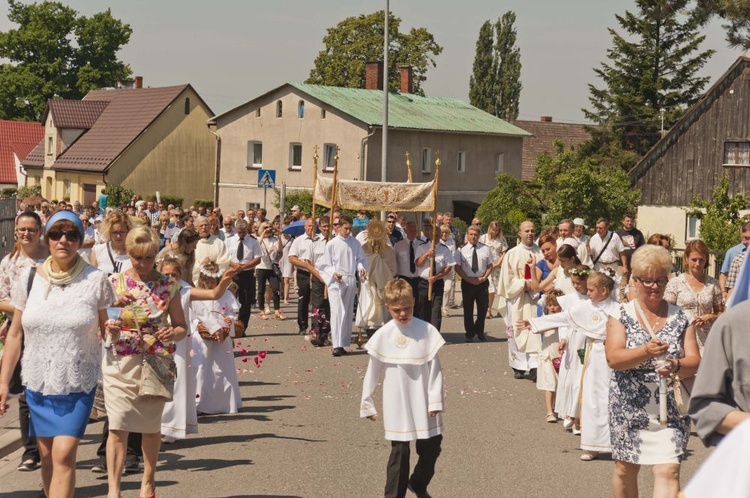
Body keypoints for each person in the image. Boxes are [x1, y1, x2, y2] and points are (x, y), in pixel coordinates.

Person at [0, 210, 115, 498]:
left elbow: (109, 327)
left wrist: (115, 330)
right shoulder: (28, 279)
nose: (63, 240)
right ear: (46, 238)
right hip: (38, 383)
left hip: (77, 382)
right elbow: (15, 335)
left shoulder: (96, 280)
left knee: (64, 455)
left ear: (79, 240)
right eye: (56, 234)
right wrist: (3, 382)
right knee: (48, 457)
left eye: (71, 234)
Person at [605, 244, 701, 498]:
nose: (654, 286)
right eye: (647, 281)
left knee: (668, 471)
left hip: (670, 408)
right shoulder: (620, 314)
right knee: (626, 469)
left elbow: (695, 360)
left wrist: (675, 365)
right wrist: (645, 351)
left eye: (660, 280)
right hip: (628, 405)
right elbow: (614, 358)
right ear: (635, 281)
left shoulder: (681, 317)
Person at [103, 226, 187, 498]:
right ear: (128, 254)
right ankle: (114, 490)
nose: (142, 263)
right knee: (117, 427)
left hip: (155, 363)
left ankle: (148, 482)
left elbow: (181, 327)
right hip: (119, 364)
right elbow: (102, 324)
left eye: (148, 257)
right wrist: (110, 327)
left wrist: (171, 332)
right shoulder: (113, 283)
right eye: (136, 257)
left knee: (151, 429)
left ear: (156, 255)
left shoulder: (168, 285)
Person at [360, 278, 445, 498]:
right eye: (397, 310)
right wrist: (367, 402)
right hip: (396, 399)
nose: (402, 314)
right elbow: (373, 372)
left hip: (424, 398)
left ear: (414, 302)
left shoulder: (426, 330)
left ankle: (418, 482)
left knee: (431, 447)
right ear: (388, 307)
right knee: (400, 452)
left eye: (407, 308)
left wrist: (435, 399)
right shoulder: (383, 335)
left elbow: (435, 369)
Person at [523, 272, 618, 460]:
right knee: (591, 400)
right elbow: (563, 317)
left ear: (604, 291)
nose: (588, 293)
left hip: (612, 356)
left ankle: (616, 444)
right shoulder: (585, 307)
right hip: (592, 357)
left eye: (591, 290)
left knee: (611, 399)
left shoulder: (618, 309)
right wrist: (535, 322)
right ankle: (592, 446)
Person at [156, 254, 236, 443]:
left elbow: (213, 294)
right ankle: (155, 425)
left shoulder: (185, 290)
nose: (171, 278)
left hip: (179, 343)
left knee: (177, 382)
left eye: (175, 274)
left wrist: (224, 281)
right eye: (167, 274)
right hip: (156, 342)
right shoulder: (153, 289)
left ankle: (171, 427)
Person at [0, 212, 48, 472]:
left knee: (45, 391)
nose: (26, 234)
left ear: (40, 230)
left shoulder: (52, 258)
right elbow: (2, 299)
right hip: (19, 332)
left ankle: (47, 445)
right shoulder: (9, 262)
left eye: (31, 229)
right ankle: (30, 451)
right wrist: (23, 310)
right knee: (23, 395)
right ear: (16, 232)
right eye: (22, 230)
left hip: (48, 334)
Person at [190, 262, 242, 415]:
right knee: (202, 368)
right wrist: (200, 325)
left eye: (212, 282)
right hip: (202, 336)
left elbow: (233, 312)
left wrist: (229, 320)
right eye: (206, 281)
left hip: (222, 337)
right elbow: (192, 316)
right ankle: (200, 403)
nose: (209, 284)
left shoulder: (226, 294)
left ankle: (224, 403)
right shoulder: (197, 294)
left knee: (221, 369)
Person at [317, 215, 367, 357]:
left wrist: (361, 267)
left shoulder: (355, 243)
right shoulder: (332, 244)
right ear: (338, 227)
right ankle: (336, 344)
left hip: (350, 279)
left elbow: (359, 259)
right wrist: (334, 273)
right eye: (346, 228)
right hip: (337, 282)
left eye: (350, 229)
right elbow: (325, 264)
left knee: (347, 312)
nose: (348, 231)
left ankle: (343, 343)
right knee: (338, 312)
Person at [497, 221, 542, 379]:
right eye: (527, 231)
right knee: (518, 329)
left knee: (535, 329)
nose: (530, 233)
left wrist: (536, 284)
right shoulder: (512, 253)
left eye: (532, 230)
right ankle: (518, 365)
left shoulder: (540, 252)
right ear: (519, 233)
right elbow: (507, 279)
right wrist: (523, 283)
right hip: (518, 298)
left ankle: (536, 365)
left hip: (535, 298)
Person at [664, 239, 723, 353]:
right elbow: (666, 311)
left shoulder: (713, 283)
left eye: (701, 260)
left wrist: (710, 317)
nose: (697, 264)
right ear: (686, 259)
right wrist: (686, 319)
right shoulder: (676, 283)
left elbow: (720, 312)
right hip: (681, 337)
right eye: (694, 260)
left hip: (706, 340)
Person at [454, 225, 497, 343]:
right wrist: (467, 279)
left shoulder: (485, 249)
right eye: (471, 234)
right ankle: (469, 333)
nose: (473, 237)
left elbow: (490, 265)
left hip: (481, 282)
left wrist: (484, 277)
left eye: (475, 235)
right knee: (468, 309)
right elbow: (457, 267)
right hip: (467, 282)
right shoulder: (461, 250)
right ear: (467, 235)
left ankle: (480, 331)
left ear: (479, 236)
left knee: (482, 309)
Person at [356, 220, 397, 337]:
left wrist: (379, 260)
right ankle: (369, 327)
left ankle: (382, 327)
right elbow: (359, 256)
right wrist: (370, 261)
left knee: (381, 301)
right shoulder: (361, 237)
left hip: (383, 277)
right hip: (367, 278)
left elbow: (390, 257)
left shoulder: (386, 238)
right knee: (369, 300)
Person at [414, 218, 455, 331]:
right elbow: (418, 263)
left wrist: (436, 277)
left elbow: (448, 268)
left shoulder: (445, 249)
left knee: (436, 309)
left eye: (438, 235)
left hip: (437, 282)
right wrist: (427, 254)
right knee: (423, 308)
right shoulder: (422, 246)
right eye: (433, 235)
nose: (435, 237)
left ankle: (435, 333)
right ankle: (423, 331)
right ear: (429, 234)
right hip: (423, 282)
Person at [289, 218, 326, 335]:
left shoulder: (321, 239)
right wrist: (304, 263)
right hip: (303, 273)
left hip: (317, 272)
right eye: (309, 226)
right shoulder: (299, 240)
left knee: (318, 301)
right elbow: (292, 258)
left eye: (313, 226)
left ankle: (317, 326)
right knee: (303, 300)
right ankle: (302, 325)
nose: (311, 228)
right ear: (305, 227)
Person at [223, 218, 261, 330]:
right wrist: (234, 265)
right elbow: (224, 256)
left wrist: (243, 267)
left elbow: (258, 258)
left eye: (243, 231)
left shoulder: (253, 241)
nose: (241, 234)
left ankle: (241, 327)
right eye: (239, 231)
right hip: (232, 273)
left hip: (246, 273)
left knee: (245, 302)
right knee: (229, 299)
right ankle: (228, 326)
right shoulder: (229, 240)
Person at [90, 211, 134, 276]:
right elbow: (93, 278)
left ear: (128, 231)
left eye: (122, 232)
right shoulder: (98, 251)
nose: (118, 236)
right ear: (108, 232)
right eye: (115, 232)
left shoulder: (135, 252)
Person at [479, 221, 508, 319]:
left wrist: (499, 262)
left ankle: (491, 308)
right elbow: (479, 250)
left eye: (497, 230)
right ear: (490, 228)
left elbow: (504, 252)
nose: (495, 232)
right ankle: (486, 308)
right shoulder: (483, 238)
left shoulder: (501, 238)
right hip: (486, 265)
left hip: (497, 266)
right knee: (489, 288)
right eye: (493, 230)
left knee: (495, 289)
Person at [257, 221, 284, 320]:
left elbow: (280, 249)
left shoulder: (274, 239)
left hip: (272, 267)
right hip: (261, 266)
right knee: (261, 290)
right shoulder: (258, 239)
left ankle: (277, 310)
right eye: (265, 227)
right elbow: (257, 245)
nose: (268, 229)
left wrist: (279, 237)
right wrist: (263, 233)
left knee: (275, 289)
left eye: (269, 227)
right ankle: (261, 310)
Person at [192, 216, 231, 284]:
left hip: (215, 281)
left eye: (206, 225)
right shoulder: (193, 243)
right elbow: (190, 264)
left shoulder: (219, 243)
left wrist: (213, 266)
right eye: (201, 226)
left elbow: (225, 261)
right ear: (196, 228)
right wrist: (202, 265)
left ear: (209, 226)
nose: (204, 227)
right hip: (199, 282)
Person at [718, 221, 750, 300]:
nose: (744, 241)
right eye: (742, 237)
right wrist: (723, 292)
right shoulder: (733, 253)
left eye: (747, 238)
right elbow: (724, 275)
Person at [393, 221, 422, 299]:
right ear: (405, 231)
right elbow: (394, 261)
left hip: (418, 278)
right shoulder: (398, 245)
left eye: (414, 231)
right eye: (410, 231)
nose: (413, 233)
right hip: (404, 278)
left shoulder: (422, 245)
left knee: (418, 304)